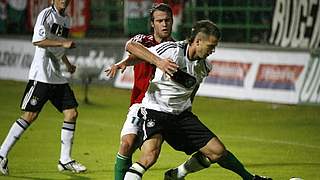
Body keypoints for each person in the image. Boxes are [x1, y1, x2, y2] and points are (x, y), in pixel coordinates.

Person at [122, 20, 272, 180]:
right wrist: (159, 62)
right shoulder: (172, 50)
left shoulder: (205, 66)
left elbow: (193, 88)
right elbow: (131, 46)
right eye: (210, 46)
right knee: (150, 156)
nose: (212, 51)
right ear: (198, 42)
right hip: (155, 111)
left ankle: (177, 175)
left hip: (181, 116)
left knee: (217, 152)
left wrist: (189, 107)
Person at [0, 0, 86, 176]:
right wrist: (63, 44)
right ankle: (1, 154)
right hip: (41, 75)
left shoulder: (66, 20)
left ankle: (65, 160)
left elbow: (57, 45)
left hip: (56, 76)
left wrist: (67, 64)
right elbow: (38, 40)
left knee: (71, 113)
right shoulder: (46, 14)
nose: (64, 0)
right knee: (30, 115)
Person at [105, 3, 178, 180]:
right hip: (139, 103)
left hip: (159, 108)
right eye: (160, 20)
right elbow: (133, 51)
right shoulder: (143, 40)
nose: (164, 24)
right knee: (126, 144)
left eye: (167, 20)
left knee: (149, 155)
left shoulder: (176, 48)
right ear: (152, 23)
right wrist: (123, 63)